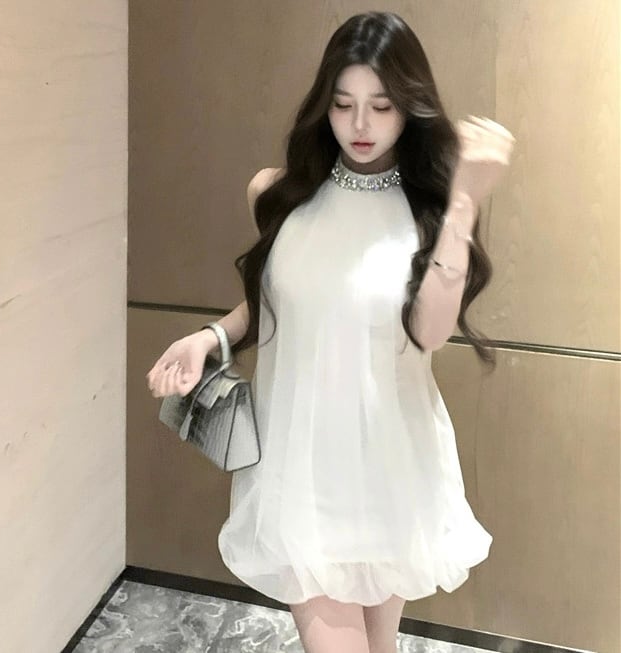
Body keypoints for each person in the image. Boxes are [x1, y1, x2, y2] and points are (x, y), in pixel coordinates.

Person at [146, 11, 515, 653]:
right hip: (303, 472)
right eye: (344, 104)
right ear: (324, 103)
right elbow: (280, 306)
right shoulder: (278, 195)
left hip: (390, 468)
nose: (360, 125)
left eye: (381, 106)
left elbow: (430, 333)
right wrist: (210, 338)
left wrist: (463, 205)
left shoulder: (430, 214)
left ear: (409, 108)